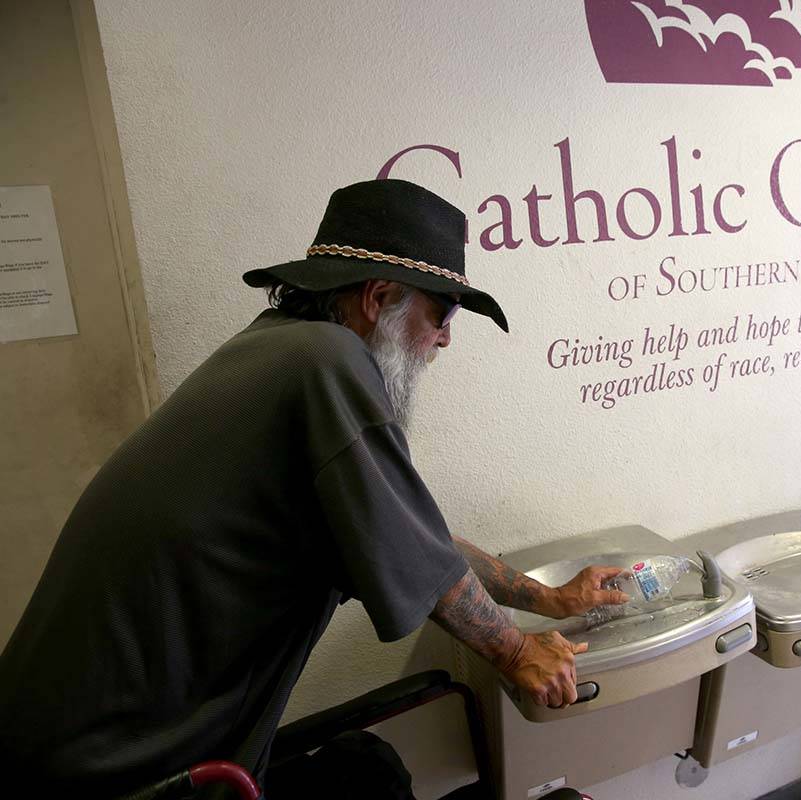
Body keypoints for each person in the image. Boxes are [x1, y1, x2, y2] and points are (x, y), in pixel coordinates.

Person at [0, 180, 628, 797]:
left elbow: (412, 538)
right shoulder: (327, 364)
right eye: (441, 313)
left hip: (72, 748)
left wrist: (547, 599)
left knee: (369, 768)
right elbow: (421, 560)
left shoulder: (279, 349)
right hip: (119, 775)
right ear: (379, 297)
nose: (445, 338)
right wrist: (517, 651)